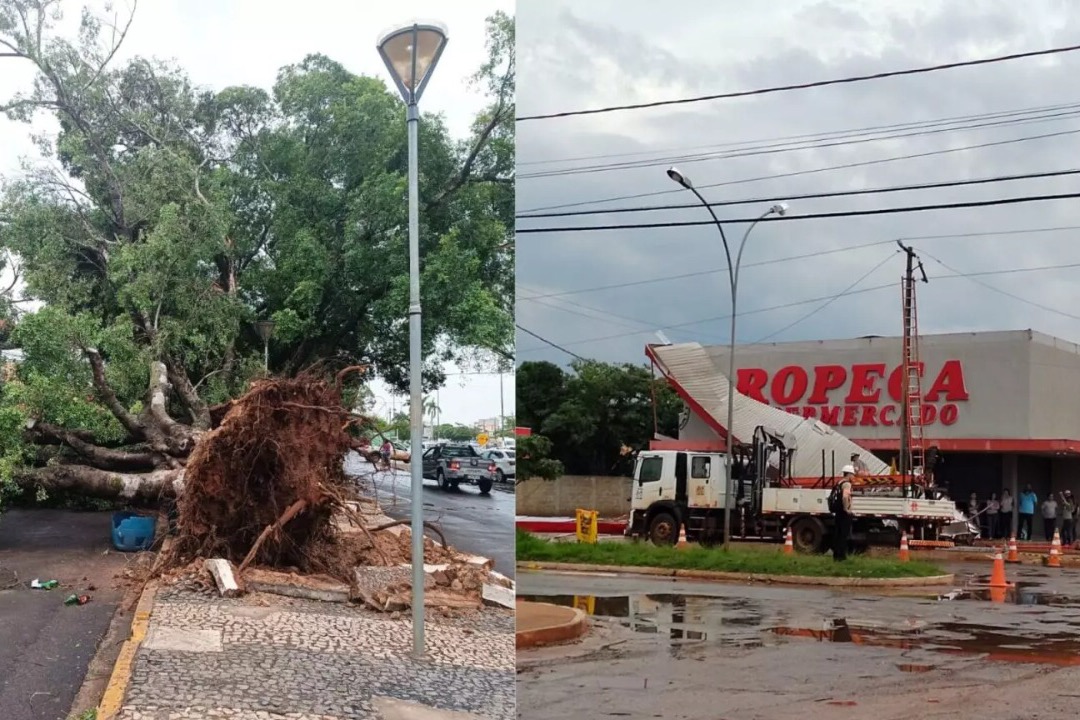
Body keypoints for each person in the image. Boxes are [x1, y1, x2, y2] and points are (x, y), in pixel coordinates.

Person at [832, 465, 856, 562]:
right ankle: (841, 557)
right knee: (843, 535)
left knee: (838, 534)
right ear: (849, 474)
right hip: (843, 513)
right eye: (853, 474)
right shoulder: (847, 484)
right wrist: (846, 509)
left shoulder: (839, 482)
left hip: (838, 512)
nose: (853, 477)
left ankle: (836, 555)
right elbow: (845, 497)